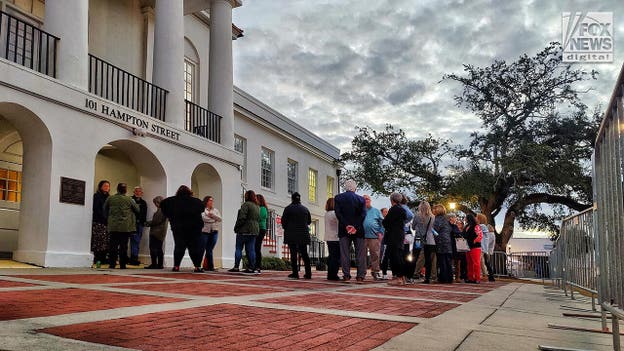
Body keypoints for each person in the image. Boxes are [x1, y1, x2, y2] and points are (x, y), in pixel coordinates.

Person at [160, 185, 205, 272]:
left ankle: (176, 266)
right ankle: (197, 266)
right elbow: (202, 209)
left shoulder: (171, 201)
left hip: (178, 227)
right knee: (194, 247)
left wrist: (169, 216)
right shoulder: (196, 201)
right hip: (194, 228)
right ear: (189, 192)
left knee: (179, 246)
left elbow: (162, 204)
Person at [334, 179, 367, 283]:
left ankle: (346, 275)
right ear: (355, 188)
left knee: (345, 253)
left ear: (345, 187)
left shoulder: (338, 198)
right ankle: (360, 276)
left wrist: (347, 226)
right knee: (360, 254)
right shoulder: (361, 199)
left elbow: (338, 213)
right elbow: (363, 215)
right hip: (358, 230)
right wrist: (355, 227)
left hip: (344, 229)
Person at [104, 183, 139, 269]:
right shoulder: (129, 199)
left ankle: (112, 264)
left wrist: (110, 219)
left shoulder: (110, 198)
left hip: (113, 226)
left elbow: (104, 209)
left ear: (117, 189)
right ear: (125, 190)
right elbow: (137, 210)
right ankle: (122, 265)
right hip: (125, 227)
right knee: (123, 247)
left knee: (113, 246)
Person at [282, 192, 312, 279]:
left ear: (292, 199)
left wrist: (288, 228)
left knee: (293, 254)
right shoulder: (305, 209)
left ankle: (295, 273)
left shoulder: (288, 209)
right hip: (303, 234)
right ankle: (308, 273)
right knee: (304, 254)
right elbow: (309, 222)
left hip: (291, 234)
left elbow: (283, 222)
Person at [229, 190, 260, 274]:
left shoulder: (246, 205)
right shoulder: (257, 206)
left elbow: (242, 218)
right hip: (254, 230)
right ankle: (251, 267)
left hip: (244, 230)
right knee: (251, 249)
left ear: (247, 196)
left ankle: (236, 267)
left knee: (238, 248)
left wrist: (237, 227)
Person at [382, 192, 407, 285]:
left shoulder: (394, 209)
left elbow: (385, 222)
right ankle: (402, 277)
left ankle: (399, 278)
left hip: (393, 235)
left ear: (392, 200)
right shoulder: (402, 209)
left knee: (394, 256)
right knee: (400, 256)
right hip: (400, 234)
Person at [408, 201, 434, 283]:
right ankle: (427, 278)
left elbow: (413, 227)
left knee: (415, 257)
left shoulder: (417, 215)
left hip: (418, 239)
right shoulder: (432, 216)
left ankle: (410, 276)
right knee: (428, 259)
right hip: (429, 239)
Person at [363, 194, 384, 280]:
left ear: (370, 200)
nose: (366, 200)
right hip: (362, 237)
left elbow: (382, 223)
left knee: (375, 255)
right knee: (362, 255)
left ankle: (375, 271)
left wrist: (381, 232)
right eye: (364, 199)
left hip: (374, 236)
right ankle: (362, 272)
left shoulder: (376, 211)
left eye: (367, 199)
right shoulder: (359, 211)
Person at [144, 196, 168, 269]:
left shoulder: (161, 210)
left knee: (153, 248)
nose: (155, 205)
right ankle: (159, 264)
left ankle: (154, 264)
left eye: (155, 203)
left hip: (156, 232)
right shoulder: (165, 210)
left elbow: (156, 221)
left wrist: (146, 223)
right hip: (160, 232)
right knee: (159, 248)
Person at [91, 180, 110, 266]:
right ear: (100, 187)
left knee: (106, 241)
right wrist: (104, 217)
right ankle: (97, 258)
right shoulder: (97, 196)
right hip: (99, 221)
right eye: (105, 186)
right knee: (98, 241)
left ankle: (103, 258)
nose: (107, 187)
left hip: (107, 222)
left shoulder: (109, 197)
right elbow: (96, 209)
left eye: (108, 186)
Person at [432, 204, 453, 283]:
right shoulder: (446, 219)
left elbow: (435, 231)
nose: (433, 211)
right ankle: (449, 277)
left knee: (442, 261)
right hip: (448, 241)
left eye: (434, 209)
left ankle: (443, 278)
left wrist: (431, 231)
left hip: (440, 242)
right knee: (448, 261)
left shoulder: (437, 219)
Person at [201, 195, 222, 272]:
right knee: (203, 248)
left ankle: (209, 266)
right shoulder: (203, 210)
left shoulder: (215, 210)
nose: (212, 202)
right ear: (206, 201)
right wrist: (214, 219)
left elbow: (220, 219)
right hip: (205, 232)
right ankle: (201, 265)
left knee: (210, 249)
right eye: (210, 200)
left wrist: (212, 215)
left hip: (214, 231)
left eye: (212, 200)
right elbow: (204, 218)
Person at [129, 186, 147, 265]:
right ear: (134, 192)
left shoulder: (143, 203)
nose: (138, 192)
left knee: (136, 241)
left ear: (142, 193)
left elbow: (144, 214)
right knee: (131, 241)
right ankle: (132, 258)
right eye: (136, 191)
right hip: (130, 223)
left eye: (139, 191)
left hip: (139, 224)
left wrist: (142, 222)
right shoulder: (130, 200)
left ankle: (134, 258)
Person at [324, 197, 340, 281]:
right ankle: (333, 274)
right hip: (335, 237)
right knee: (336, 258)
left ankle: (330, 274)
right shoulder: (334, 213)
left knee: (331, 257)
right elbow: (339, 223)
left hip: (328, 237)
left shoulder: (326, 214)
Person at [463, 214, 482, 283]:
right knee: (469, 263)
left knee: (476, 263)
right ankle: (470, 278)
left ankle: (477, 278)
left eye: (465, 218)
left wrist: (474, 241)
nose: (464, 219)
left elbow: (480, 235)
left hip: (475, 247)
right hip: (467, 247)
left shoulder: (476, 226)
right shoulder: (466, 226)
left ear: (468, 218)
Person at [450, 214, 467, 283]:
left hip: (458, 248)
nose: (457, 224)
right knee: (452, 263)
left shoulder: (461, 231)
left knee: (458, 264)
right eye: (457, 223)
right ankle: (453, 276)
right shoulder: (452, 227)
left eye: (459, 223)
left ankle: (457, 277)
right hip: (453, 247)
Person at [254, 194, 268, 273]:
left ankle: (258, 266)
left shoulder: (263, 208)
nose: (255, 200)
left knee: (257, 247)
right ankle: (254, 265)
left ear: (259, 200)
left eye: (256, 199)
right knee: (254, 247)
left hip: (261, 229)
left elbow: (260, 217)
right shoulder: (258, 208)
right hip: (256, 228)